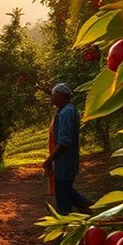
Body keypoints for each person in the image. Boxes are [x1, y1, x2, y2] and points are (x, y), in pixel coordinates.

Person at [43, 83, 92, 215]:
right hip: (65, 160)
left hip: (65, 160)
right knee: (64, 188)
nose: (52, 98)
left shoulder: (66, 113)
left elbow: (64, 141)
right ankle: (86, 206)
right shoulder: (67, 111)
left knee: (62, 191)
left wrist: (50, 159)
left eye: (54, 95)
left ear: (61, 96)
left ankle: (65, 217)